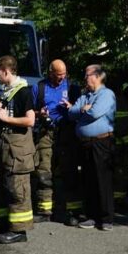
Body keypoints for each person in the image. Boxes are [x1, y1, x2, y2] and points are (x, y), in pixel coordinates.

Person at [0, 55, 36, 244]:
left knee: (17, 189)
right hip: (3, 147)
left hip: (18, 151)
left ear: (6, 71)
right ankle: (1, 226)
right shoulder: (7, 92)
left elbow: (30, 120)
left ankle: (19, 231)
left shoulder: (23, 92)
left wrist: (6, 119)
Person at [64, 64, 117, 229]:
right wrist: (82, 109)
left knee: (102, 180)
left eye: (87, 75)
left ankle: (106, 219)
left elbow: (95, 113)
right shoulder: (85, 95)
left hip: (101, 142)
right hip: (85, 143)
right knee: (88, 180)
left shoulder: (107, 94)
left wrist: (80, 111)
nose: (85, 78)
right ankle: (91, 216)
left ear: (97, 76)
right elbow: (70, 113)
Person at [31, 59, 81, 223]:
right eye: (58, 75)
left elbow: (82, 108)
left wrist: (72, 107)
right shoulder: (39, 87)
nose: (61, 78)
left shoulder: (73, 88)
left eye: (64, 75)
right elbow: (30, 111)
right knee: (44, 171)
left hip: (67, 132)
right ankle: (45, 210)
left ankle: (72, 210)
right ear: (50, 72)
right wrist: (40, 114)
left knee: (69, 171)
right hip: (46, 133)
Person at [112, 82, 128, 210]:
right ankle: (120, 198)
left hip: (115, 142)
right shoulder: (126, 101)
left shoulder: (110, 100)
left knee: (115, 171)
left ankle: (116, 199)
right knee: (122, 171)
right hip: (124, 142)